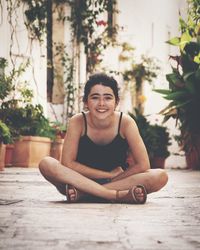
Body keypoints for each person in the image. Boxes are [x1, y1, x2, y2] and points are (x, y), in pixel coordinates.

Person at [39, 73, 168, 204]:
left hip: (117, 182)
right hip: (78, 180)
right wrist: (108, 175)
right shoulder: (77, 122)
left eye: (108, 98)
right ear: (86, 102)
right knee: (46, 163)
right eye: (95, 97)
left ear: (116, 102)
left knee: (160, 176)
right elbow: (68, 164)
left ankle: (85, 195)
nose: (101, 104)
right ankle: (114, 195)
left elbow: (143, 164)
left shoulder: (126, 123)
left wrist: (113, 179)